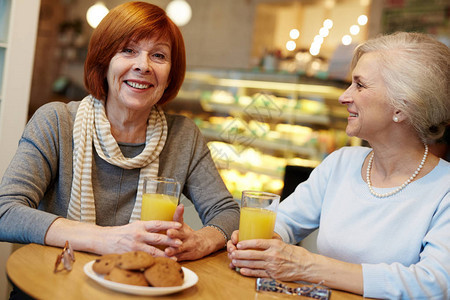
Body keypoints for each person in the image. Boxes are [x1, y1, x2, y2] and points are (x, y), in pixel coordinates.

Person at [0, 1, 239, 262]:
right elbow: (6, 211)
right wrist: (107, 239)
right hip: (56, 280)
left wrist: (202, 240)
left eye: (158, 55)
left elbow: (227, 211)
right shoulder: (56, 122)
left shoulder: (183, 135)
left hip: (138, 285)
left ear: (170, 75)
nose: (143, 66)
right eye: (128, 50)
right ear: (104, 62)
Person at [227, 32, 450, 299]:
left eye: (360, 85)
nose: (344, 97)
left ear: (402, 106)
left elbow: (434, 284)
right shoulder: (340, 163)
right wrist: (263, 243)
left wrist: (309, 266)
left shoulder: (443, 190)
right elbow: (285, 220)